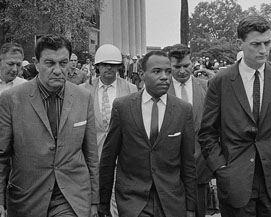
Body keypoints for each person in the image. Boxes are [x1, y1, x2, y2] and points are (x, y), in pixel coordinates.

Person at [198, 15, 271, 217]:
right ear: (240, 43)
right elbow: (207, 133)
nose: (263, 50)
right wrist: (221, 168)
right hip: (235, 179)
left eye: (267, 42)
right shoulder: (221, 81)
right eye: (256, 44)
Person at [0, 34, 99, 217]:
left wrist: (94, 201)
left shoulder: (83, 98)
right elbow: (2, 156)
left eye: (63, 63)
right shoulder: (11, 100)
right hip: (27, 198)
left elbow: (91, 155)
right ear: (36, 64)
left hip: (71, 197)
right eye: (50, 63)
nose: (57, 70)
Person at [99, 50, 197, 217]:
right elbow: (108, 158)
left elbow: (188, 163)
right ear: (142, 74)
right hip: (132, 202)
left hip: (171, 202)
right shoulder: (123, 107)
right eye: (157, 71)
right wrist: (103, 204)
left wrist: (190, 208)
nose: (165, 76)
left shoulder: (183, 110)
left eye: (168, 71)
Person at [167, 43, 213, 217]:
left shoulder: (207, 87)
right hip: (170, 167)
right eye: (176, 67)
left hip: (200, 165)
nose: (182, 71)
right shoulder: (160, 89)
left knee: (199, 212)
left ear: (192, 63)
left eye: (186, 66)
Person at [81, 44, 137, 158]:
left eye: (113, 64)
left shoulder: (131, 89)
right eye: (105, 64)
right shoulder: (84, 89)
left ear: (118, 67)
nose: (109, 68)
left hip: (121, 152)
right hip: (92, 152)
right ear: (97, 66)